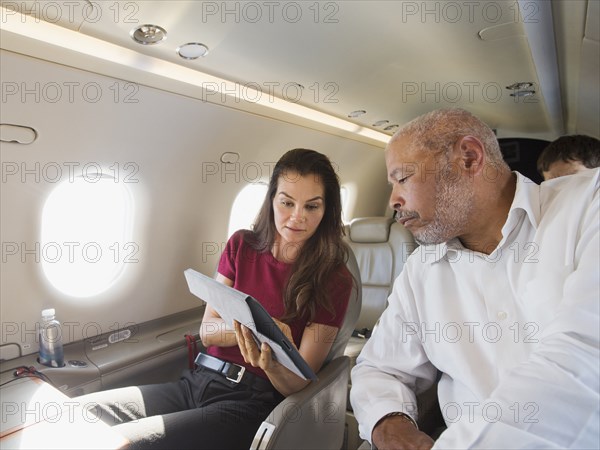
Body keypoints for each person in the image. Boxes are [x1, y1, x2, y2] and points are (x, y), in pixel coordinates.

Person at [350, 108, 599, 449]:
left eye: (403, 178)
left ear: (468, 158)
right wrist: (392, 427)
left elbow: (584, 359)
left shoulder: (588, 207)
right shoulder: (421, 270)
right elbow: (379, 368)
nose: (394, 200)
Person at [79, 148, 353, 450]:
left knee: (122, 443)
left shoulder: (335, 279)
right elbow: (207, 331)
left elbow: (301, 383)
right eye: (287, 202)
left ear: (326, 210)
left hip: (251, 401)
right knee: (81, 414)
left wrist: (272, 361)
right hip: (197, 380)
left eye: (311, 206)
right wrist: (259, 329)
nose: (297, 217)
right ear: (272, 199)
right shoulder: (241, 245)